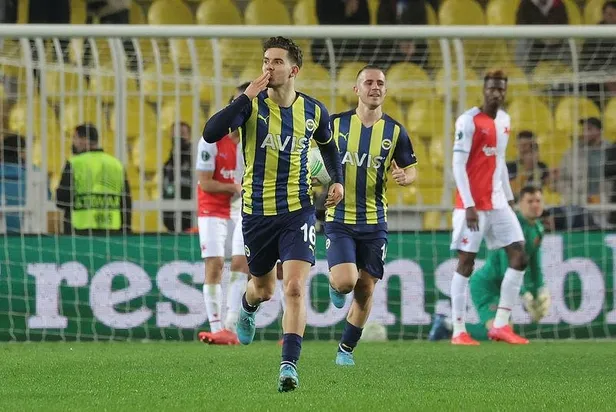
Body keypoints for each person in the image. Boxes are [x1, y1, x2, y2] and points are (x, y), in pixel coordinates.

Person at [202, 36, 344, 392]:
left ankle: (288, 366)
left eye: (277, 61)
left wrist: (337, 182)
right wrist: (245, 96)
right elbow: (211, 132)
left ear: (293, 70)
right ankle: (248, 306)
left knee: (294, 287)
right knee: (264, 290)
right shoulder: (250, 107)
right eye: (266, 60)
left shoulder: (314, 111)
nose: (269, 66)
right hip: (257, 213)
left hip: (298, 212)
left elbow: (329, 149)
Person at [326, 65, 417, 366]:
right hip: (339, 217)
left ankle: (346, 349)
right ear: (356, 89)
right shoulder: (335, 124)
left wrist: (406, 177)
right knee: (346, 282)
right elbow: (313, 158)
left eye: (380, 83)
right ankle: (336, 285)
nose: (374, 87)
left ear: (386, 90)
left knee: (365, 289)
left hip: (375, 221)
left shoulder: (395, 131)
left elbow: (411, 168)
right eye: (368, 82)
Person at [449, 70, 529, 346]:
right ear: (484, 90)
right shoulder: (468, 121)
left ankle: (501, 324)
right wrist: (469, 204)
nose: (497, 93)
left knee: (519, 255)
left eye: (501, 88)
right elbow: (458, 165)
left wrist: (509, 197)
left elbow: (499, 161)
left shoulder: (505, 120)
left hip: (497, 204)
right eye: (492, 88)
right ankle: (458, 330)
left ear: (505, 91)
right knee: (466, 263)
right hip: (472, 206)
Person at [430, 186, 550, 343]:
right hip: (487, 285)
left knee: (504, 330)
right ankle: (448, 325)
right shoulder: (510, 226)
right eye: (530, 201)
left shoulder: (538, 229)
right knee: (500, 331)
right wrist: (525, 294)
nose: (535, 205)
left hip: (503, 286)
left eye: (538, 201)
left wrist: (540, 291)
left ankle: (449, 326)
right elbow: (506, 267)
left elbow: (535, 265)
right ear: (520, 204)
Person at [196, 83, 251, 346]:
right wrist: (234, 187)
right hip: (212, 209)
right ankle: (216, 327)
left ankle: (230, 326)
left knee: (242, 263)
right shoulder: (211, 140)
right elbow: (205, 183)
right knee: (215, 264)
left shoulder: (255, 141)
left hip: (243, 209)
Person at [56, 124, 132, 235]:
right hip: (112, 230)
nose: (73, 142)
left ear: (84, 140)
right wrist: (126, 230)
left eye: (75, 138)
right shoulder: (116, 164)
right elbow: (126, 202)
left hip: (80, 230)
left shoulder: (74, 163)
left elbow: (62, 200)